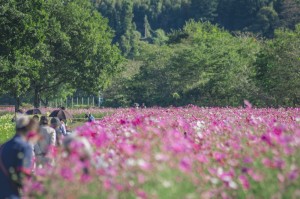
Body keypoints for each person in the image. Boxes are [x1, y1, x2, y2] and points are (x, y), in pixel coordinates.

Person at [0, 116, 39, 199]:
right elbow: (23, 175)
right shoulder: (25, 147)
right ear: (30, 129)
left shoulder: (3, 146)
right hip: (13, 194)